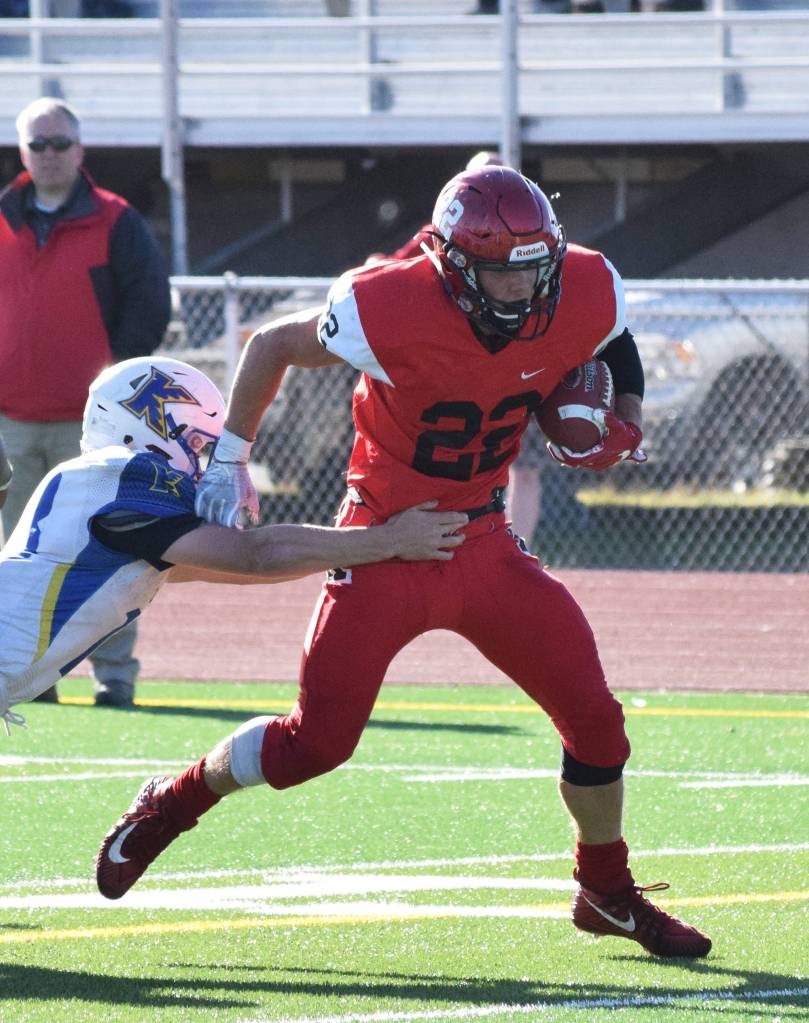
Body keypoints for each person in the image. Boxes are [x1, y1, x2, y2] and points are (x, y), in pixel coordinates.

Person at [95, 166, 711, 960]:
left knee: (597, 720)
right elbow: (271, 344)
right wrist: (228, 462)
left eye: (536, 268)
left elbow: (612, 332)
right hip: (381, 539)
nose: (524, 289)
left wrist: (621, 423)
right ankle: (172, 800)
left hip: (480, 541)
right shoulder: (386, 301)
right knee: (315, 744)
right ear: (454, 266)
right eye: (502, 270)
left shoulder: (580, 281)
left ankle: (604, 888)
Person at [0, 355, 467, 736]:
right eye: (197, 446)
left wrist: (356, 551)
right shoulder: (124, 475)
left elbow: (234, 567)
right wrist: (387, 540)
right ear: (154, 427)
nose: (202, 465)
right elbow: (254, 556)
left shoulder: (98, 485)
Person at [0, 96, 171, 707]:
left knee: (112, 548)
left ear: (80, 149)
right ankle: (27, 679)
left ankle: (114, 679)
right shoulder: (1, 216)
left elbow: (150, 306)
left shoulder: (115, 220)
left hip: (95, 430)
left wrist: (109, 385)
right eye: (37, 144)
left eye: (59, 144)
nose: (49, 155)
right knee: (19, 558)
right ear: (23, 152)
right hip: (12, 419)